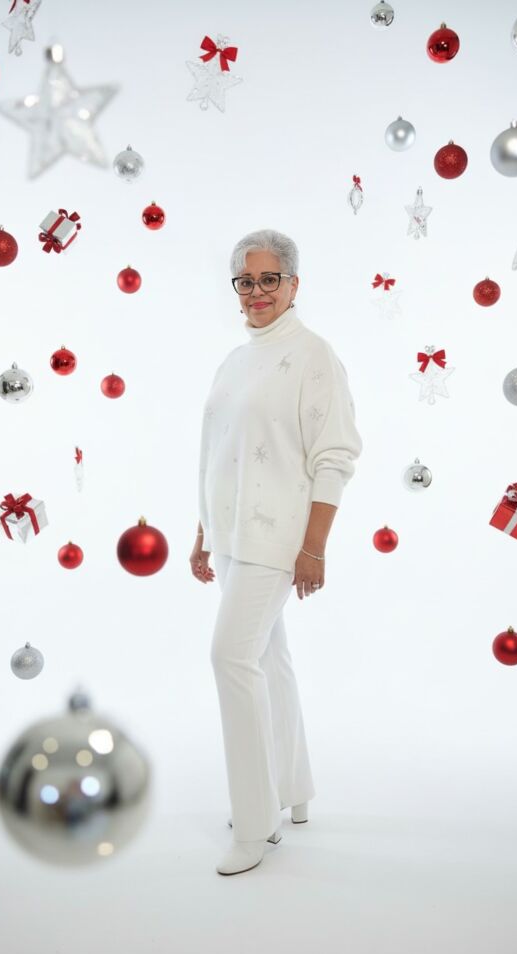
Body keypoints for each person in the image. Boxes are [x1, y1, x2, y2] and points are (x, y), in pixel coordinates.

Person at [190, 228, 363, 876]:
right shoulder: (235, 361)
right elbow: (217, 453)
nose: (256, 291)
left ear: (293, 284)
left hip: (275, 535)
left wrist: (313, 549)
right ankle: (293, 789)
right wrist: (204, 532)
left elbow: (334, 456)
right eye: (246, 280)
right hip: (231, 534)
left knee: (230, 657)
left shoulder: (314, 356)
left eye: (269, 279)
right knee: (268, 656)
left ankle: (255, 824)